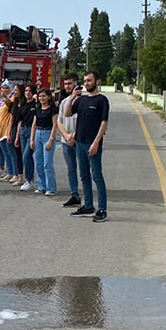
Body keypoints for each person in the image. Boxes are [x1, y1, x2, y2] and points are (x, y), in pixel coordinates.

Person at [68, 70, 109, 222]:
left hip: (93, 144)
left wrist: (96, 142)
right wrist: (72, 97)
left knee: (97, 176)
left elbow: (104, 123)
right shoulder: (81, 100)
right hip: (80, 142)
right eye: (85, 81)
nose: (86, 83)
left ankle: (102, 209)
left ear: (97, 81)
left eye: (89, 80)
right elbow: (67, 113)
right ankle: (88, 206)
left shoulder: (102, 100)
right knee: (84, 176)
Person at [57, 74, 81, 207]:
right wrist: (66, 136)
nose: (67, 86)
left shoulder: (82, 100)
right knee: (71, 169)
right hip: (66, 141)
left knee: (84, 169)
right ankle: (74, 195)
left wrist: (74, 136)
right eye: (65, 84)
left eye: (70, 83)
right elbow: (59, 121)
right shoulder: (64, 102)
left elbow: (84, 122)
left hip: (79, 141)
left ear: (76, 84)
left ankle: (87, 197)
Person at [30, 87, 59, 196]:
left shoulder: (53, 109)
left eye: (44, 96)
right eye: (40, 96)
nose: (42, 98)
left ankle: (51, 188)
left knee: (47, 163)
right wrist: (31, 139)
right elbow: (34, 124)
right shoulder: (37, 109)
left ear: (49, 97)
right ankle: (41, 186)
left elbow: (55, 125)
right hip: (38, 134)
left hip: (47, 134)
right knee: (38, 162)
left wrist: (51, 139)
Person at [0, 82, 21, 184]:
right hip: (1, 129)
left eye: (7, 88)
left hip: (8, 130)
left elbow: (9, 105)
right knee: (6, 153)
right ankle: (10, 172)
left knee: (12, 153)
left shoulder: (11, 99)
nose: (4, 90)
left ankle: (16, 173)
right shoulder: (1, 101)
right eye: (3, 88)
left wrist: (5, 97)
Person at [15, 84, 36, 190]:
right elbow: (20, 121)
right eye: (26, 90)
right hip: (23, 130)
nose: (28, 92)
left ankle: (29, 179)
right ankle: (30, 179)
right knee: (26, 157)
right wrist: (17, 137)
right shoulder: (22, 105)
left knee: (26, 156)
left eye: (30, 91)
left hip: (32, 131)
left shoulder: (36, 104)